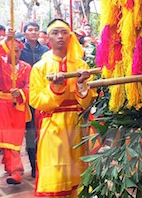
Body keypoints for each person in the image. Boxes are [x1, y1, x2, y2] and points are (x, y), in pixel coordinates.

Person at [30, 18, 96, 197]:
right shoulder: (40, 68)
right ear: (48, 38)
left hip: (77, 124)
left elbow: (87, 102)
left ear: (70, 36)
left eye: (64, 32)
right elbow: (35, 100)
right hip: (53, 124)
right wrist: (56, 88)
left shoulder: (81, 66)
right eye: (55, 33)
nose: (60, 36)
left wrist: (82, 85)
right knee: (55, 169)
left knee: (79, 167)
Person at [0, 29, 32, 184]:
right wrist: (6, 40)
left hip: (18, 106)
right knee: (6, 138)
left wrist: (20, 92)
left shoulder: (27, 67)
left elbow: (30, 86)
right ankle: (16, 171)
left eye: (17, 51)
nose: (15, 54)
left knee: (15, 139)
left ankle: (12, 167)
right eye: (11, 51)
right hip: (2, 106)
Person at [19, 21, 49, 178]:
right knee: (30, 133)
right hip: (26, 97)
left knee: (43, 131)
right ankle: (33, 165)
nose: (33, 32)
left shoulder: (45, 51)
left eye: (36, 30)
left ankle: (44, 162)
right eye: (30, 30)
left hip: (43, 94)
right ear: (24, 33)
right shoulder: (19, 50)